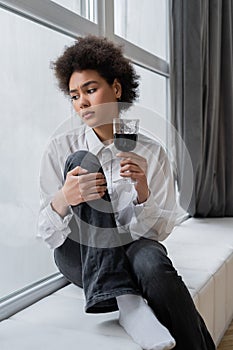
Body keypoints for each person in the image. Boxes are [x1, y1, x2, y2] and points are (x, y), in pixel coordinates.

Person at [38, 35, 216, 350]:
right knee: (81, 162)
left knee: (154, 267)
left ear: (116, 89)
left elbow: (158, 232)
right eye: (75, 94)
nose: (82, 102)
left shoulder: (149, 149)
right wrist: (64, 199)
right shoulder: (60, 148)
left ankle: (140, 309)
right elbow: (49, 236)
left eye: (91, 90)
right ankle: (130, 305)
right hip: (79, 252)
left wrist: (143, 193)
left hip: (134, 244)